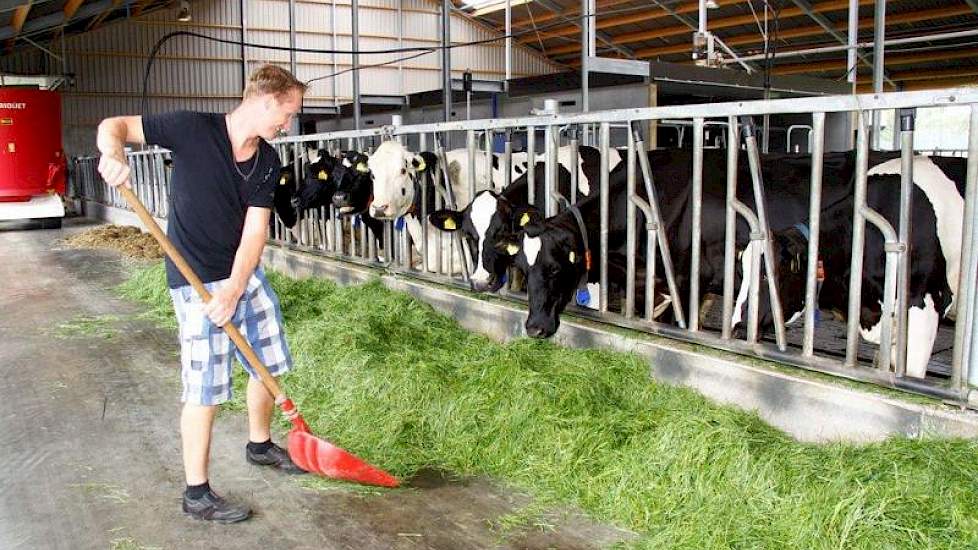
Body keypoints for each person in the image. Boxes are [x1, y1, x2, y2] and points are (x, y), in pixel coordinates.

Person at [96, 64, 307, 524]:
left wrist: (235, 288)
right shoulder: (191, 129)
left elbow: (255, 231)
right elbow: (112, 127)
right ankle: (196, 493)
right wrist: (113, 153)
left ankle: (259, 444)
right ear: (266, 101)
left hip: (241, 275)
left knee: (266, 361)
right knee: (205, 385)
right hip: (193, 279)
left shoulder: (268, 161)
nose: (288, 124)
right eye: (288, 113)